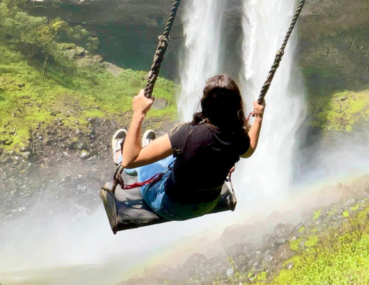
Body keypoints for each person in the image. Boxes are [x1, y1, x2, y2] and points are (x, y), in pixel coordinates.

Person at [111, 74, 265, 221]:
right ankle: (150, 148)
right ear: (237, 103)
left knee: (142, 164)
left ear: (205, 102)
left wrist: (138, 113)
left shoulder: (187, 132)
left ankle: (121, 154)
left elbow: (130, 161)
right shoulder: (239, 136)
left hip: (170, 207)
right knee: (176, 152)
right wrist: (258, 117)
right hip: (208, 204)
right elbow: (249, 150)